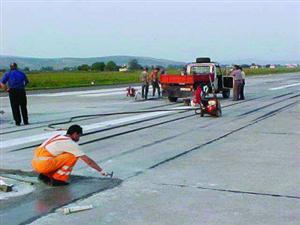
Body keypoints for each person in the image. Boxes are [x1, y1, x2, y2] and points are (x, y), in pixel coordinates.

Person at [32, 125, 107, 186]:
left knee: (62, 154)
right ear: (75, 134)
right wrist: (101, 171)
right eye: (79, 135)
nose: (79, 138)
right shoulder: (70, 143)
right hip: (44, 165)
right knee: (73, 156)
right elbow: (88, 161)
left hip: (36, 163)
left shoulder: (57, 137)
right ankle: (58, 179)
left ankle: (45, 175)